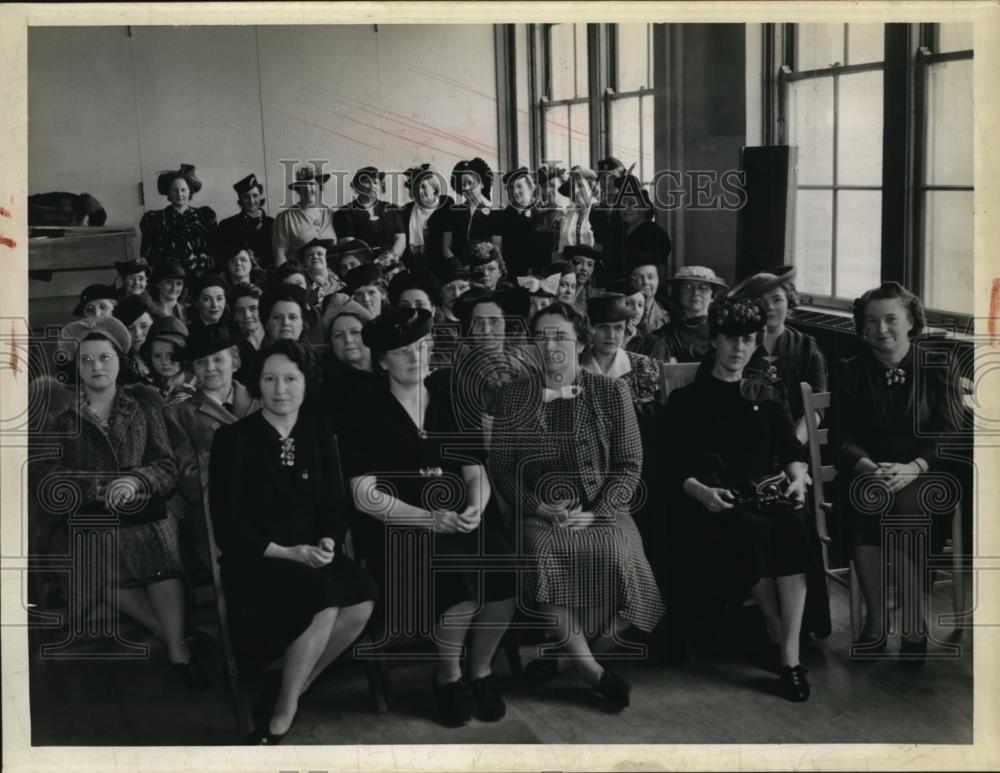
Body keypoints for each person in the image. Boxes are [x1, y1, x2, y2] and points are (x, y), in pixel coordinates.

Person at [343, 308, 516, 727]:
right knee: (456, 578)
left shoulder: (452, 398)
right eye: (402, 352)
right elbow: (364, 495)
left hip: (459, 521)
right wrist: (427, 520)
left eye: (422, 347)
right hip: (398, 531)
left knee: (505, 572)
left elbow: (476, 469)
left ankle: (481, 670)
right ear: (382, 360)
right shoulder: (364, 410)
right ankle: (449, 674)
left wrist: (476, 504)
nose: (415, 358)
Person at [489, 301, 664, 710]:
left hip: (602, 506)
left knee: (617, 555)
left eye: (560, 336)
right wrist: (536, 506)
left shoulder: (610, 390)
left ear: (580, 341)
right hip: (542, 513)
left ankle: (565, 659)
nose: (550, 345)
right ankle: (592, 671)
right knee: (542, 552)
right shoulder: (514, 396)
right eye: (541, 336)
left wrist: (598, 512)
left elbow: (629, 463)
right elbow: (502, 468)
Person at [209, 340, 377, 744]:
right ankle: (284, 710)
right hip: (259, 558)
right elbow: (228, 525)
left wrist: (328, 542)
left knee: (362, 599)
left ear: (306, 382)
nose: (280, 389)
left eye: (290, 379)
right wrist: (288, 553)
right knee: (321, 600)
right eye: (269, 379)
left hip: (312, 553)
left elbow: (336, 506)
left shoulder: (319, 431)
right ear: (256, 384)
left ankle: (291, 685)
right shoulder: (234, 440)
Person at [665, 294, 827, 702]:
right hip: (717, 497)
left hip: (769, 491)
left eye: (748, 340)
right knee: (747, 527)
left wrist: (798, 478)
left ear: (757, 343)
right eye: (731, 339)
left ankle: (789, 655)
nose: (739, 349)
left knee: (794, 521)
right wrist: (701, 492)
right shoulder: (688, 400)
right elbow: (671, 465)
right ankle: (774, 622)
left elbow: (791, 451)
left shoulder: (765, 393)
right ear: (714, 340)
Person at [33, 316, 208, 690]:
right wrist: (102, 485)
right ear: (76, 367)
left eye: (105, 358)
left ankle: (176, 650)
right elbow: (49, 479)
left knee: (158, 550)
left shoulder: (143, 404)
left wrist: (136, 480)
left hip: (144, 510)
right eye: (87, 360)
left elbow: (166, 466)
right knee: (99, 558)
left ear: (119, 361)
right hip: (89, 521)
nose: (97, 366)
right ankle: (176, 641)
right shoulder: (61, 416)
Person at [833, 281, 962, 659]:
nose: (881, 328)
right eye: (872, 321)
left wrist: (914, 467)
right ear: (862, 326)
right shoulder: (849, 370)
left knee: (907, 506)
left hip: (927, 473)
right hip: (869, 472)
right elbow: (841, 435)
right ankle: (875, 618)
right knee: (860, 498)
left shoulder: (938, 366)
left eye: (891, 319)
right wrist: (868, 467)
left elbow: (951, 433)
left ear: (910, 322)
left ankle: (913, 622)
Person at [165, 325, 258, 583]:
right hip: (215, 517)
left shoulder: (260, 399)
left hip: (268, 508)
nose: (210, 367)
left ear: (236, 361)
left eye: (218, 359)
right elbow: (190, 480)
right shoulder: (178, 413)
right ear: (192, 369)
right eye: (201, 362)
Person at [728, 266, 828, 444]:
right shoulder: (736, 345)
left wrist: (793, 445)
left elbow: (816, 407)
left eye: (777, 299)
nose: (770, 307)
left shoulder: (806, 347)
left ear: (789, 302)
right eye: (761, 301)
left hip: (796, 443)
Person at [580, 294, 660, 404]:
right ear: (590, 329)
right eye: (603, 327)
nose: (611, 335)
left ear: (625, 329)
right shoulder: (575, 366)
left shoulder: (641, 365)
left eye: (618, 328)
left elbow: (649, 416)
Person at [139, 163, 217, 276]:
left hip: (200, 278)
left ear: (190, 191)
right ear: (168, 193)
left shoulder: (204, 217)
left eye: (183, 190)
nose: (179, 194)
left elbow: (213, 250)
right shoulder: (155, 220)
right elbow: (147, 254)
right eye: (174, 190)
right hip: (168, 279)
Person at [319, 303, 379, 428]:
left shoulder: (391, 373)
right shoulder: (327, 388)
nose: (348, 339)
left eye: (355, 332)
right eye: (338, 335)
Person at [334, 167, 405, 267]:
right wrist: (375, 263)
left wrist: (392, 254)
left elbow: (400, 237)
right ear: (357, 186)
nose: (372, 185)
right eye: (367, 181)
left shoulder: (390, 209)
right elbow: (349, 245)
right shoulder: (345, 213)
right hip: (363, 266)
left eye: (376, 182)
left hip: (392, 262)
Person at [387, 268, 458, 368]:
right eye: (405, 307)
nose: (413, 312)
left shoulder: (452, 342)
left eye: (420, 305)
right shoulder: (390, 347)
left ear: (433, 309)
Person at [494, 167, 558, 277]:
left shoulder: (544, 214)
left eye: (519, 186)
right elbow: (497, 249)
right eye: (510, 188)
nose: (515, 191)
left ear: (530, 187)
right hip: (510, 275)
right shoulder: (500, 217)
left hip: (539, 275)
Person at [659, 265, 729, 362]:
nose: (695, 293)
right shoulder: (666, 334)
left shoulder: (724, 330)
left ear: (713, 296)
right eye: (687, 287)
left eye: (703, 288)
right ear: (679, 294)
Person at [272, 165, 337, 267]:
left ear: (319, 186)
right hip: (301, 276)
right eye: (303, 185)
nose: (307, 188)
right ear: (298, 189)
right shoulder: (286, 218)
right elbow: (279, 254)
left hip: (330, 275)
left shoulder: (330, 214)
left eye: (312, 184)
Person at [442, 158, 499, 262]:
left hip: (483, 270)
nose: (466, 188)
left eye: (470, 183)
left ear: (481, 184)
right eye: (463, 184)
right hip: (458, 270)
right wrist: (458, 269)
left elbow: (497, 249)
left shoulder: (493, 215)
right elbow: (446, 248)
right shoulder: (452, 213)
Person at [215, 173, 275, 269]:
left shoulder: (273, 224)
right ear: (240, 200)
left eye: (255, 196)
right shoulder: (227, 225)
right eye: (246, 197)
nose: (251, 201)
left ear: (260, 197)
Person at [401, 164, 454, 272]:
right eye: (415, 188)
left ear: (433, 187)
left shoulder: (446, 205)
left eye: (423, 186)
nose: (419, 191)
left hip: (442, 265)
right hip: (415, 265)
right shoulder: (406, 210)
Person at [140, 315, 195, 401]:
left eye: (171, 355)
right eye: (157, 356)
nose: (164, 362)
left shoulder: (201, 386)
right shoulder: (144, 392)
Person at [270, 263, 325, 345]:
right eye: (288, 285)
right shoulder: (276, 315)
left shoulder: (316, 314)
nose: (295, 289)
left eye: (299, 284)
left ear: (307, 285)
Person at [113, 294, 157, 385]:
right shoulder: (116, 367)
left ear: (155, 324)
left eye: (144, 326)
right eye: (130, 328)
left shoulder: (169, 359)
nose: (137, 334)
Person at [555, 165, 600, 254]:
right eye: (572, 187)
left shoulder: (598, 212)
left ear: (590, 188)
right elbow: (559, 250)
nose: (575, 191)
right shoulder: (568, 214)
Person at [230, 283, 265, 386]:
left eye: (253, 309)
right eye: (240, 311)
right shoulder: (231, 348)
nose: (247, 315)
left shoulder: (276, 338)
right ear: (234, 316)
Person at [297, 238, 345, 309]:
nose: (315, 257)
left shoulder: (340, 277)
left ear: (327, 258)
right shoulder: (300, 282)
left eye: (320, 254)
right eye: (310, 255)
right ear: (304, 261)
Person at [564, 244, 603, 312]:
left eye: (590, 264)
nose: (584, 268)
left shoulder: (593, 298)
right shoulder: (556, 291)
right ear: (569, 263)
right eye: (579, 262)